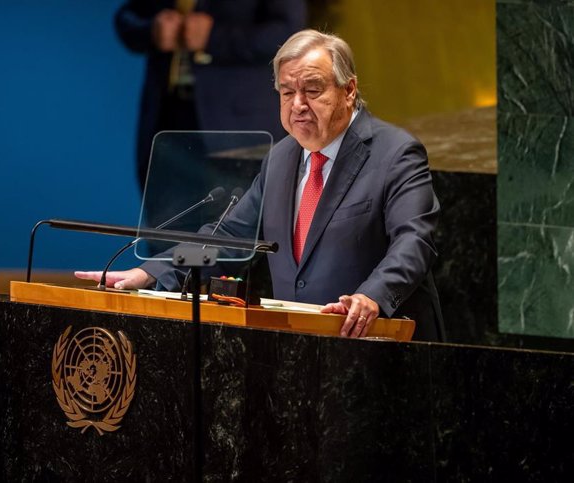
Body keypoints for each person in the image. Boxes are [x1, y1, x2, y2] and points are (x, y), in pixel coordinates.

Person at [78, 29, 445, 342]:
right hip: (295, 348)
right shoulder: (282, 158)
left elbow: (414, 241)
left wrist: (372, 297)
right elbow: (227, 239)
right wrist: (153, 271)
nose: (298, 104)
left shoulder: (395, 153)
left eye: (313, 90)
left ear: (349, 91)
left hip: (379, 348)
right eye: (287, 93)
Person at [114, 0, 307, 192]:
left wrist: (213, 36)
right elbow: (127, 16)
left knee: (232, 220)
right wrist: (150, 30)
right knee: (166, 219)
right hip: (167, 118)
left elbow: (289, 32)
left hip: (239, 129)